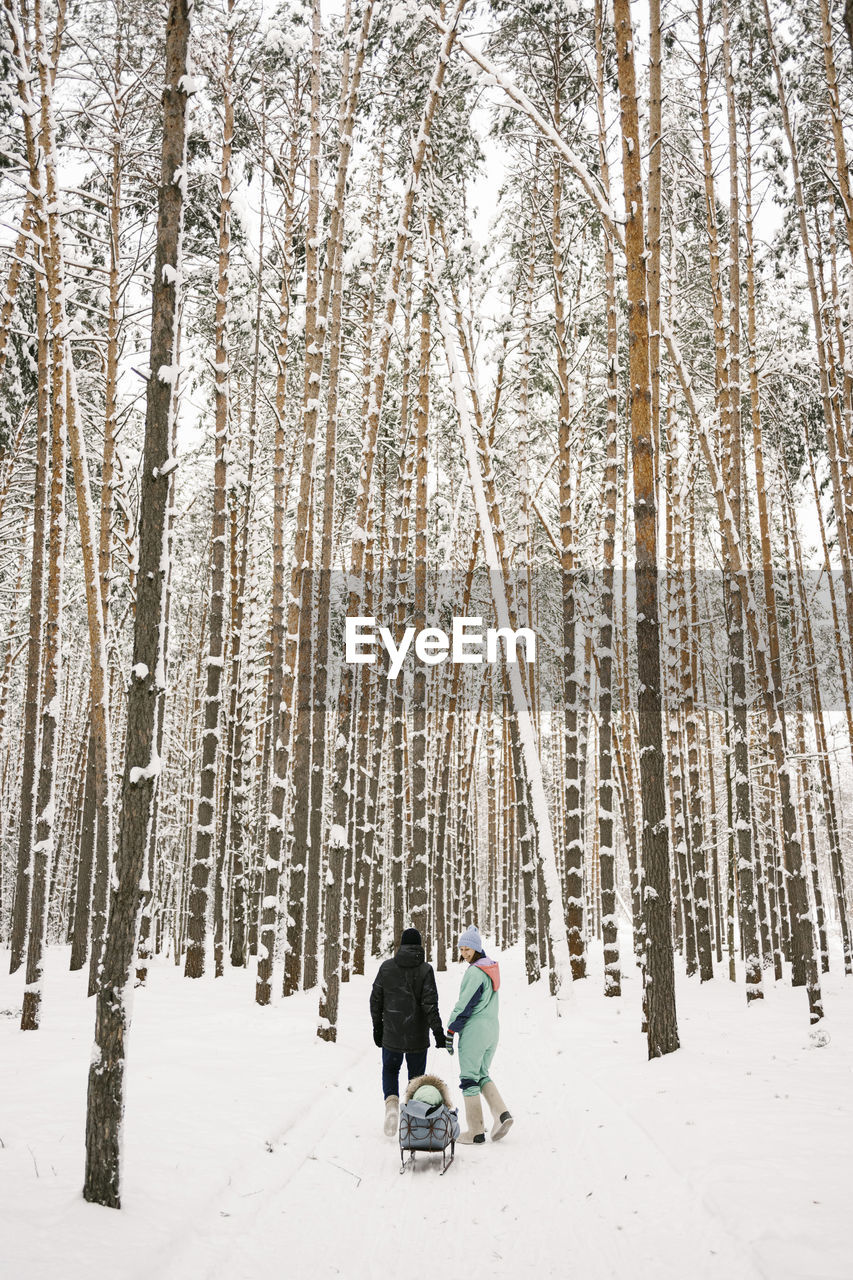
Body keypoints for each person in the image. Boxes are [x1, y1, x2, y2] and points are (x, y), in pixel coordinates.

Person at [370, 927, 446, 1136]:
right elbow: (431, 1005)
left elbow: (375, 1000)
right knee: (416, 1078)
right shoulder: (425, 970)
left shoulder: (386, 968)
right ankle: (414, 1120)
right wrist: (438, 1033)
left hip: (392, 1035)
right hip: (417, 1038)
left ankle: (392, 1107)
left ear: (401, 946)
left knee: (390, 1070)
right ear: (419, 946)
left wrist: (378, 1027)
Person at [445, 924, 513, 1145]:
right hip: (492, 1029)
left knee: (468, 1078)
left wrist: (451, 1029)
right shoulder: (490, 968)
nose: (464, 953)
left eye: (468, 949)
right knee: (481, 1073)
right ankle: (502, 1114)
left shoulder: (475, 972)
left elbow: (465, 1005)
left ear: (476, 949)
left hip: (475, 1031)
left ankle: (475, 1131)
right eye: (461, 949)